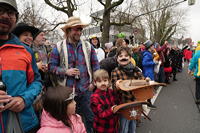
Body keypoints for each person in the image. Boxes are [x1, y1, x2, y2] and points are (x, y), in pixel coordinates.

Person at [49, 16, 100, 133]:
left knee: (89, 118)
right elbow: (51, 67)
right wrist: (66, 71)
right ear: (68, 31)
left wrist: (94, 83)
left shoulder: (88, 46)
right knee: (70, 120)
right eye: (76, 29)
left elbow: (96, 66)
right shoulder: (59, 47)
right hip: (67, 92)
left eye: (80, 29)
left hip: (86, 90)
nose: (79, 32)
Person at [0, 0, 42, 132]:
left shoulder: (26, 51)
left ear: (16, 18)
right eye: (0, 10)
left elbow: (36, 82)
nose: (5, 16)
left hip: (24, 124)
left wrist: (24, 99)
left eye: (10, 12)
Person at [111, 47, 144, 133]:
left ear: (130, 57)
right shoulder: (115, 71)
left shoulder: (135, 69)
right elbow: (114, 89)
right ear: (117, 58)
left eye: (126, 55)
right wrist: (116, 85)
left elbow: (142, 81)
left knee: (132, 127)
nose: (123, 57)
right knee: (124, 128)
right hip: (124, 104)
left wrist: (145, 81)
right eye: (120, 56)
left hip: (135, 103)